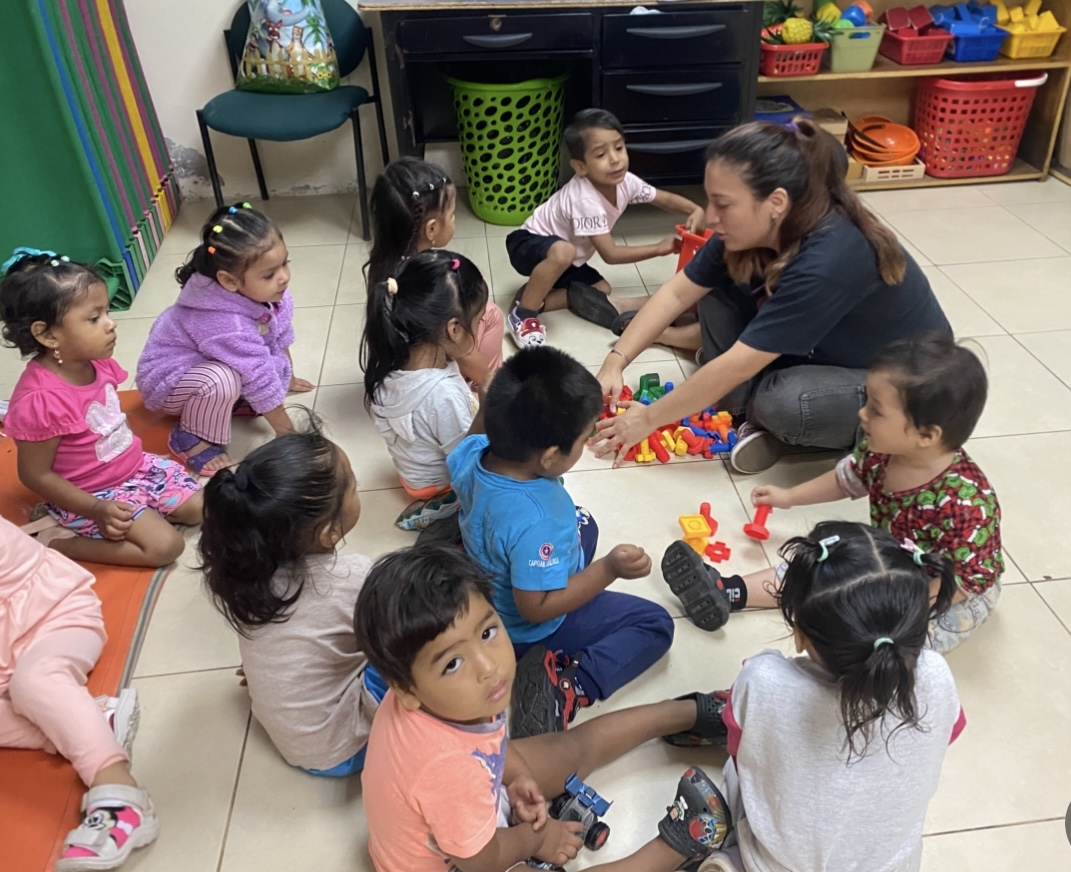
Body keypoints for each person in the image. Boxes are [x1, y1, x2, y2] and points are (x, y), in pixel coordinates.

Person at [591, 118, 951, 475]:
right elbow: (676, 293)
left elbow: (739, 365)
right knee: (719, 289)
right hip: (817, 348)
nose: (711, 217)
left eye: (723, 204)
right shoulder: (747, 228)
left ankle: (782, 427)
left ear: (776, 202)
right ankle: (743, 404)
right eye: (710, 200)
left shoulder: (829, 259)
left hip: (900, 382)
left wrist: (648, 419)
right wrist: (615, 362)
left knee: (781, 401)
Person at [355, 545, 733, 872]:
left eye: (487, 633)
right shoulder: (446, 767)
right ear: (406, 690)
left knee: (571, 748)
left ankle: (692, 714)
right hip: (460, 859)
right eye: (453, 663)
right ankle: (677, 847)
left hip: (465, 806)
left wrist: (519, 778)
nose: (488, 667)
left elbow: (488, 745)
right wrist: (537, 839)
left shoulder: (443, 696)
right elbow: (481, 861)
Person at [695, 522, 964, 872]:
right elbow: (947, 734)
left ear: (800, 633)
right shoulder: (937, 675)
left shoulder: (763, 679)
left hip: (777, 864)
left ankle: (735, 859)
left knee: (736, 772)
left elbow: (739, 752)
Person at [446, 346, 675, 739]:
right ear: (550, 457)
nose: (588, 442)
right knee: (655, 625)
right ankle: (568, 686)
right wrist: (608, 569)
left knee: (585, 524)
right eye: (584, 438)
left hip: (490, 566)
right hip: (529, 628)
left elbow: (475, 437)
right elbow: (536, 608)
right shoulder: (542, 517)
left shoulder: (473, 451)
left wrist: (486, 405)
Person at [724, 334, 1000, 653]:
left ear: (926, 435)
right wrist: (789, 497)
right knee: (822, 564)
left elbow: (967, 576)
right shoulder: (881, 450)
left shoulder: (967, 503)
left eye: (876, 411)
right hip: (890, 558)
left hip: (952, 592)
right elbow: (847, 479)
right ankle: (729, 590)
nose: (862, 414)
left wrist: (901, 610)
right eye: (867, 401)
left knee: (893, 642)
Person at [198, 416, 385, 776]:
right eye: (353, 486)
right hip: (345, 748)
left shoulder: (244, 573)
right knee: (415, 639)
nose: (357, 490)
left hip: (292, 738)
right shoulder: (354, 577)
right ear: (329, 532)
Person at [0, 250, 203, 567]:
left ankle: (143, 511)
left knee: (199, 509)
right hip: (91, 494)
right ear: (47, 334)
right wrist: (95, 509)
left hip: (137, 469)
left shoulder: (95, 362)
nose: (111, 325)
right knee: (166, 547)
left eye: (107, 312)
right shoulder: (40, 399)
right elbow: (34, 474)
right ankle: (58, 542)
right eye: (94, 319)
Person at [0, 516, 158, 871]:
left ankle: (121, 791)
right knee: (30, 691)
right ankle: (89, 722)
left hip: (55, 618)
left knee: (34, 682)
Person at [135, 203, 315, 477]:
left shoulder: (269, 294)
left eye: (285, 263)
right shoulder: (225, 322)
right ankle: (190, 435)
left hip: (204, 368)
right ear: (229, 281)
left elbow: (279, 336)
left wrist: (287, 377)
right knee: (223, 379)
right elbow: (257, 374)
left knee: (241, 371)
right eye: (269, 274)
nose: (283, 278)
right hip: (167, 381)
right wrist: (287, 433)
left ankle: (231, 402)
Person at [504, 108, 705, 348]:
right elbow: (610, 254)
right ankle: (523, 315)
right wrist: (658, 248)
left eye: (619, 148)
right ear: (580, 167)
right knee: (564, 251)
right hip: (526, 244)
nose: (615, 159)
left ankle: (535, 296)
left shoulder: (625, 182)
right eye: (601, 154)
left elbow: (663, 199)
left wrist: (695, 209)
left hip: (565, 259)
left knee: (601, 289)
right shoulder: (585, 199)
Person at [361, 251, 492, 531]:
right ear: (454, 329)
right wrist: (486, 409)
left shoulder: (391, 356)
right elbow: (466, 459)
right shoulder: (443, 395)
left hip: (413, 474)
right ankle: (445, 508)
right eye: (479, 320)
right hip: (439, 485)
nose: (480, 326)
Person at [364, 157, 504, 387]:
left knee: (485, 311)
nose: (454, 220)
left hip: (402, 364)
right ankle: (482, 388)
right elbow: (459, 347)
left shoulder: (386, 264)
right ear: (431, 229)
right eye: (452, 215)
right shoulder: (425, 282)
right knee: (491, 315)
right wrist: (493, 386)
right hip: (429, 373)